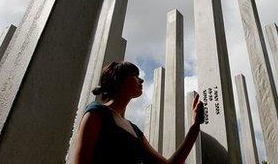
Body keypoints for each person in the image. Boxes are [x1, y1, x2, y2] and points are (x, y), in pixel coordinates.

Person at [73, 61, 204, 164]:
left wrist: (195, 127)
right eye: (135, 76)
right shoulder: (97, 113)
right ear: (119, 80)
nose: (141, 80)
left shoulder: (134, 130)